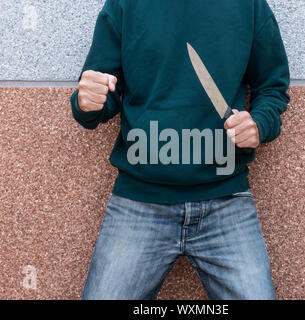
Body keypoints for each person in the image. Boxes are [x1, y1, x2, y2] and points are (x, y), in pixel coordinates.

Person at [70, 0, 290, 300]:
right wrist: (86, 102)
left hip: (225, 198)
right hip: (140, 200)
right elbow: (99, 94)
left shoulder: (247, 4)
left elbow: (272, 87)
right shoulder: (125, 4)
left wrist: (259, 124)